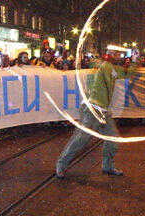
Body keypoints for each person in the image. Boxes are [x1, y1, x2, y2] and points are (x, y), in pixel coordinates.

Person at [56, 49, 138, 179]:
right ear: (110, 55)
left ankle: (108, 167)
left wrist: (133, 62)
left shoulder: (112, 68)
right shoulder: (105, 66)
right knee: (81, 139)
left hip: (104, 111)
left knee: (112, 138)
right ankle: (61, 164)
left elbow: (126, 74)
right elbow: (119, 71)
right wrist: (130, 62)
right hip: (93, 109)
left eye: (118, 54)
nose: (118, 56)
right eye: (115, 54)